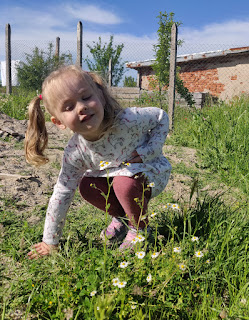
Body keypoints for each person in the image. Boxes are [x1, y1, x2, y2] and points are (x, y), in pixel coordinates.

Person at [26, 65, 171, 259]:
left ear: (101, 97)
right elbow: (62, 191)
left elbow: (161, 117)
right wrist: (49, 241)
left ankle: (140, 230)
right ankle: (122, 219)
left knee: (123, 182)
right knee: (87, 185)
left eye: (86, 97)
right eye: (69, 107)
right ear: (59, 122)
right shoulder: (75, 151)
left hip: (151, 172)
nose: (81, 107)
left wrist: (150, 150)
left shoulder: (127, 120)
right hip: (117, 176)